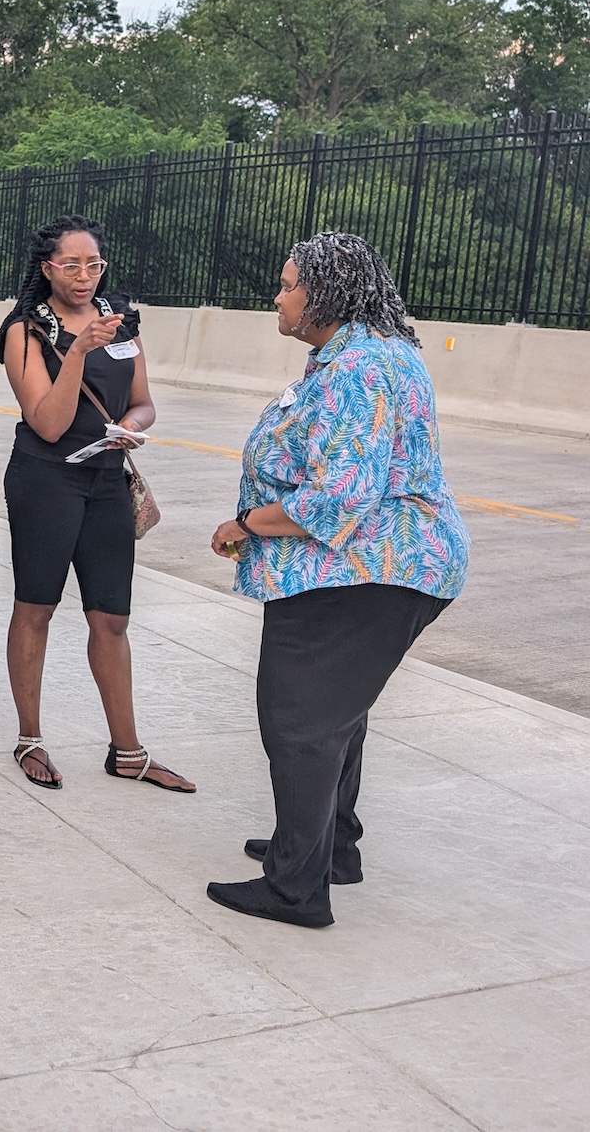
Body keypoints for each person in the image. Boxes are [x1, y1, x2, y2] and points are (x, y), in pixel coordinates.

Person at [207, 233, 468, 929]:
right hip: (375, 567)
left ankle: (295, 889)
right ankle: (329, 849)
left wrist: (246, 524)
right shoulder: (360, 354)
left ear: (323, 294)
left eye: (288, 284)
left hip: (363, 571)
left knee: (298, 722)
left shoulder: (359, 367)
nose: (278, 297)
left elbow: (338, 496)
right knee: (334, 719)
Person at [0, 215, 193, 794]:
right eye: (71, 265)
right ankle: (30, 738)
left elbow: (144, 402)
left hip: (106, 477)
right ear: (47, 268)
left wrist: (132, 426)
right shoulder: (27, 331)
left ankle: (128, 751)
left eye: (94, 264)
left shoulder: (121, 321)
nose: (84, 276)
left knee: (111, 617)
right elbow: (49, 424)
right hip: (46, 479)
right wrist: (77, 349)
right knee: (37, 608)